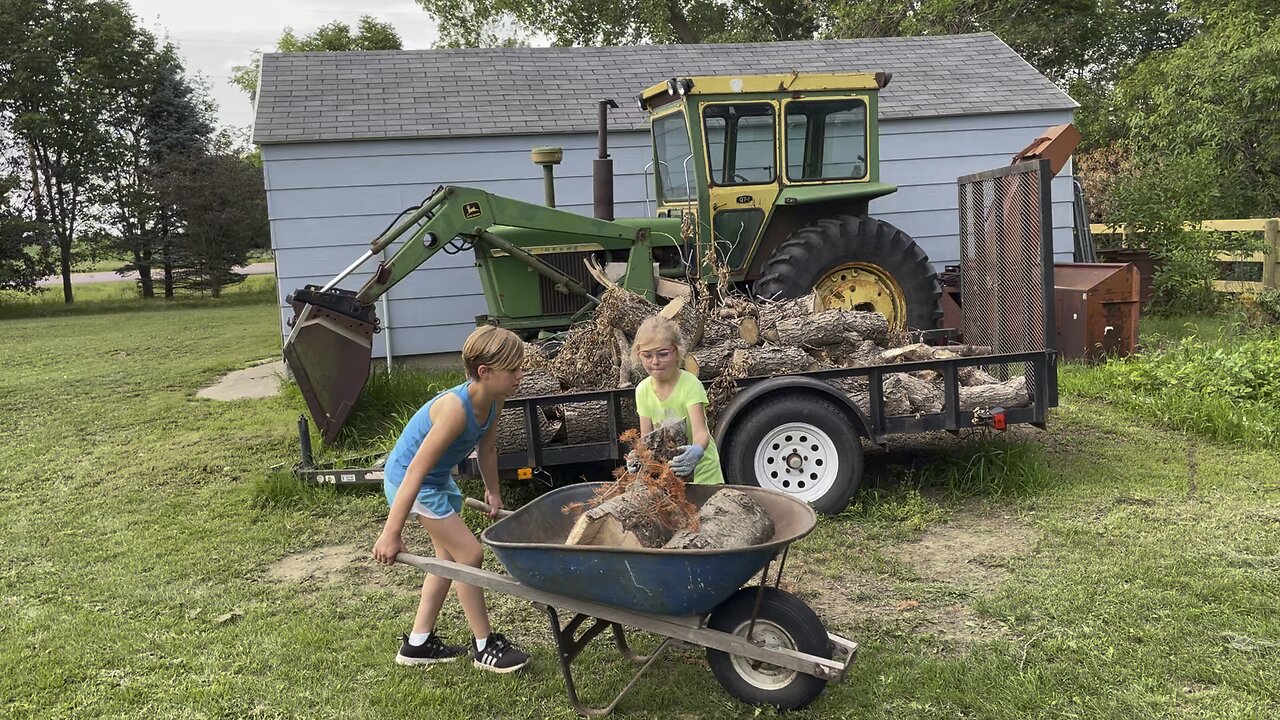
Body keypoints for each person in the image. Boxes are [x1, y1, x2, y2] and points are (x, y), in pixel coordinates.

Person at [372, 325, 531, 673]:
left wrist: (492, 490)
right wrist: (391, 532)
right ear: (484, 372)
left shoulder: (494, 399)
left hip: (435, 480)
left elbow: (486, 448)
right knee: (468, 554)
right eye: (514, 369)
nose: (521, 374)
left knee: (445, 559)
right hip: (409, 482)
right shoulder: (455, 409)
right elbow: (413, 473)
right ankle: (485, 645)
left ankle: (418, 644)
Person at [631, 315, 724, 484]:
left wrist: (696, 450)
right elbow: (646, 438)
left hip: (704, 475)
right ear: (639, 355)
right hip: (670, 477)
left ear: (677, 351)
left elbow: (701, 433)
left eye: (663, 354)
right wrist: (638, 457)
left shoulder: (690, 385)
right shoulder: (642, 390)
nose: (655, 362)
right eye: (647, 355)